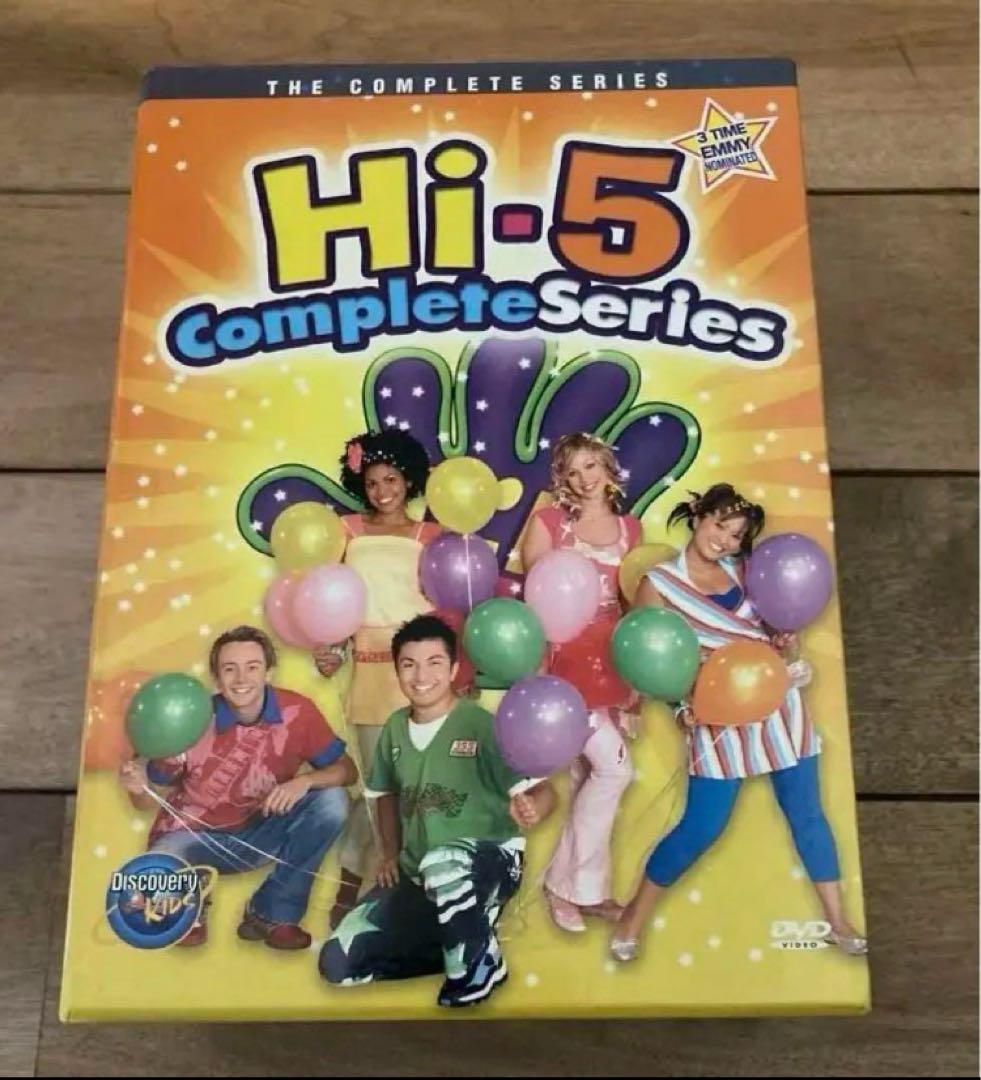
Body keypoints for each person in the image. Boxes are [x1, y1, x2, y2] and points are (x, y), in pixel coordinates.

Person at [610, 484, 867, 961]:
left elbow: (776, 633)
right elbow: (653, 657)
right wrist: (680, 709)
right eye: (719, 525)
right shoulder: (659, 583)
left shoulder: (747, 569)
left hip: (779, 710)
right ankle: (632, 919)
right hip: (717, 717)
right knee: (701, 827)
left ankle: (838, 920)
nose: (724, 540)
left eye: (735, 535)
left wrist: (788, 644)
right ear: (698, 516)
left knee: (808, 815)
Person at [320, 615, 556, 1008]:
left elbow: (544, 791)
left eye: (434, 663)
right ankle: (462, 944)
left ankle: (477, 968)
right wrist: (390, 854)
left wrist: (535, 809)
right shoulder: (395, 728)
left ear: (453, 669)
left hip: (489, 862)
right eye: (409, 664)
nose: (421, 676)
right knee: (338, 964)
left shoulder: (482, 726)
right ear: (397, 670)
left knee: (443, 861)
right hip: (419, 873)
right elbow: (383, 794)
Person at [118, 625, 355, 950]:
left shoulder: (298, 712)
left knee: (333, 801)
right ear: (217, 679)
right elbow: (146, 802)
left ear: (269, 672)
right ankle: (191, 901)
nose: (241, 679)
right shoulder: (192, 717)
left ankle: (272, 914)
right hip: (190, 836)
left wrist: (304, 781)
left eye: (252, 667)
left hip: (260, 832)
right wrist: (137, 787)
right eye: (230, 669)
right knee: (162, 874)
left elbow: (347, 771)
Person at [312, 429, 442, 928]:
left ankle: (395, 893)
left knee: (418, 790)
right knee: (378, 787)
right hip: (369, 667)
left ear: (408, 479)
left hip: (421, 667)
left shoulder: (430, 535)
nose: (382, 490)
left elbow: (445, 604)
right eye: (371, 482)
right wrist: (331, 649)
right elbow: (333, 598)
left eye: (391, 479)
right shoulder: (345, 530)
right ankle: (350, 882)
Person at [520, 432, 641, 933]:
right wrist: (535, 677)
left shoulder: (631, 529)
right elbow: (533, 606)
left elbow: (635, 610)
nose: (583, 479)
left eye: (590, 466)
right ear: (562, 480)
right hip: (563, 665)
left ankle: (586, 893)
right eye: (572, 471)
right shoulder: (549, 523)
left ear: (608, 468)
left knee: (588, 779)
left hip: (610, 664)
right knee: (614, 771)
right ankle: (565, 887)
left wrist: (634, 687)